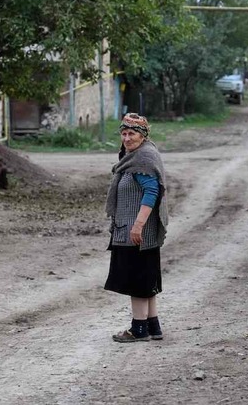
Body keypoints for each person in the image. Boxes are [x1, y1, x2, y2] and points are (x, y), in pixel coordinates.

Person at [104, 113, 168, 343]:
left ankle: (138, 329)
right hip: (138, 231)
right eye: (124, 133)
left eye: (132, 133)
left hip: (137, 231)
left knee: (137, 280)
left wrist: (138, 225)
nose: (127, 138)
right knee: (145, 277)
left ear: (143, 135)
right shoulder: (135, 156)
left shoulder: (143, 159)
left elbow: (152, 192)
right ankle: (153, 326)